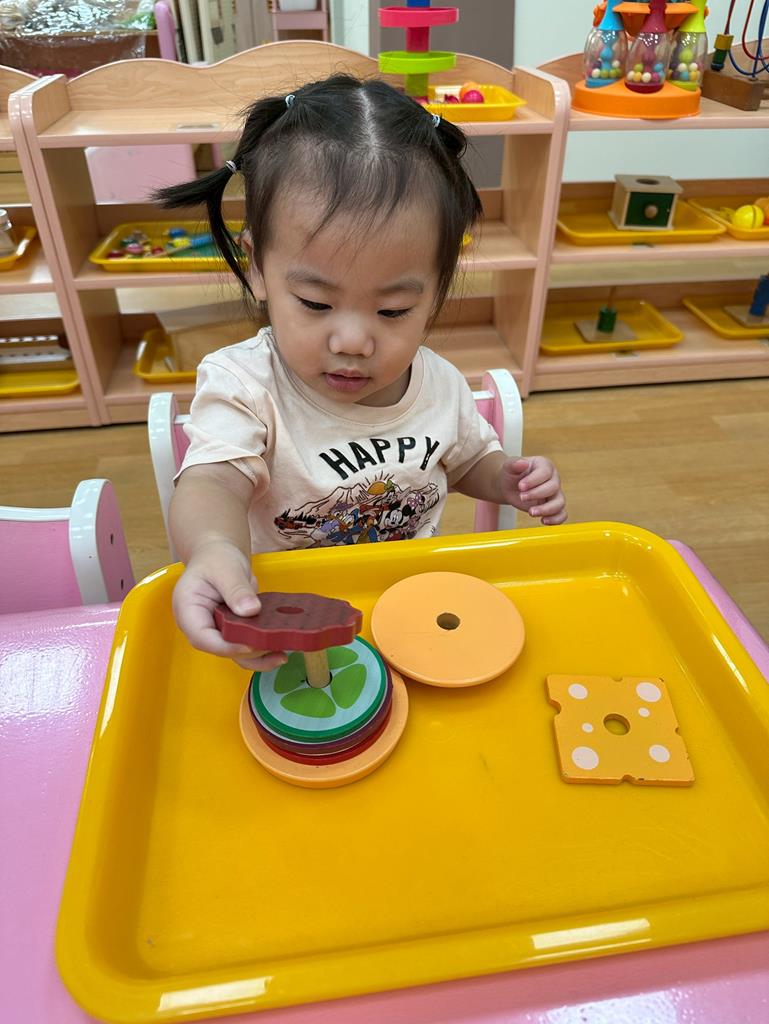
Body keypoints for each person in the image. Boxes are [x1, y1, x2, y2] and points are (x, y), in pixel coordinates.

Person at [156, 74, 566, 672]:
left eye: (393, 311)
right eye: (316, 303)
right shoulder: (244, 386)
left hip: (412, 606)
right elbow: (213, 483)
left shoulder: (440, 384)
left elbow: (463, 462)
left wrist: (505, 479)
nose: (353, 341)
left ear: (437, 291)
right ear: (258, 268)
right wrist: (214, 548)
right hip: (288, 619)